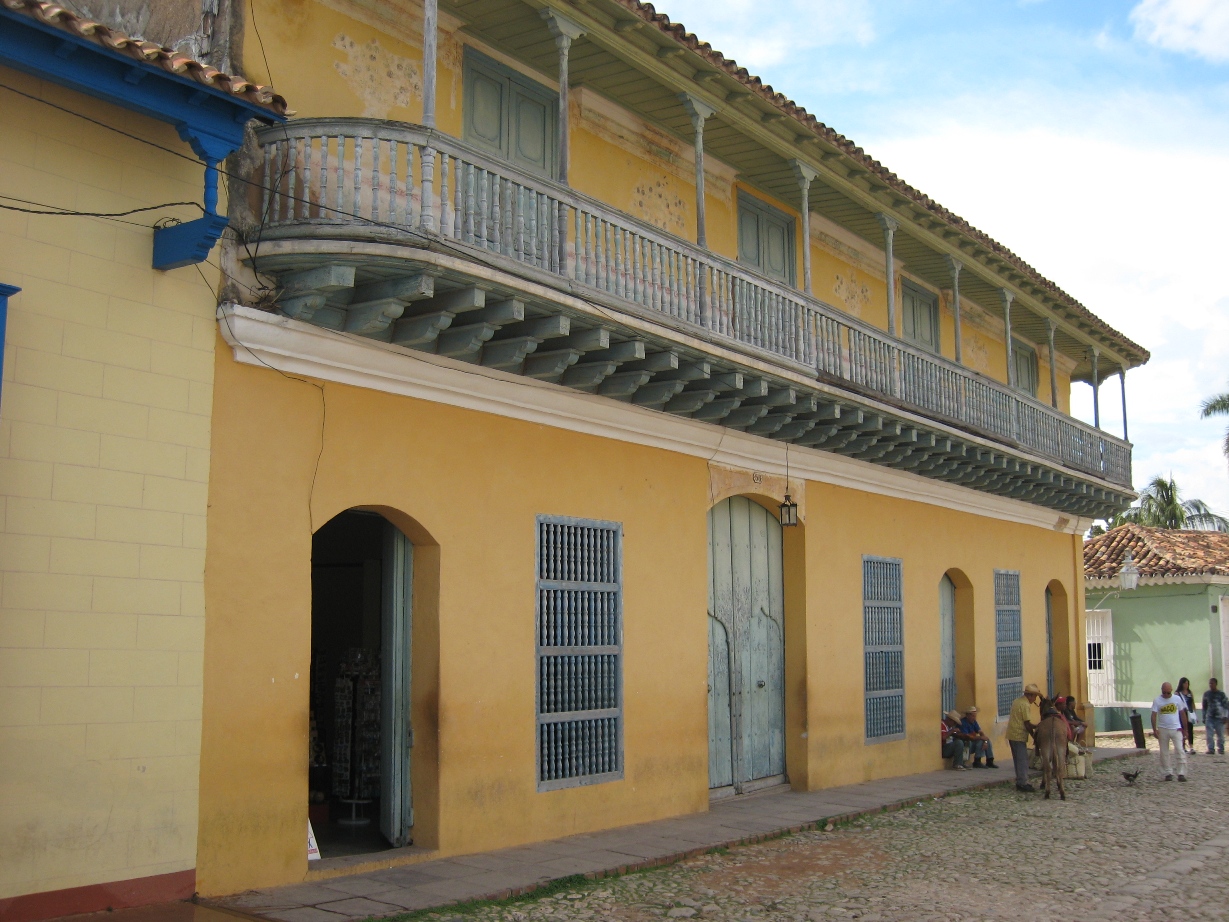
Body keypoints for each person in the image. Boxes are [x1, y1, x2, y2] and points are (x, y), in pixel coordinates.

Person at [1151, 681, 1190, 781]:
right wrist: (1154, 729)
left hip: (1176, 728)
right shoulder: (1157, 700)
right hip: (1163, 729)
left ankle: (1181, 773)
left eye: (1168, 693)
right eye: (1164, 692)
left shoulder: (1177, 699)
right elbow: (1154, 715)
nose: (1166, 695)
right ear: (1161, 691)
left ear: (1171, 691)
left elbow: (1182, 713)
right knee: (1164, 752)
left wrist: (1185, 729)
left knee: (1180, 750)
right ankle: (1167, 772)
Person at [1007, 683, 1042, 792]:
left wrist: (1035, 727)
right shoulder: (1025, 705)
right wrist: (1034, 735)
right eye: (1035, 696)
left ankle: (1020, 781)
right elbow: (1027, 723)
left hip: (1012, 734)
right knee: (1022, 760)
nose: (1035, 699)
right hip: (1019, 734)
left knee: (1017, 759)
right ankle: (1022, 783)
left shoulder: (1017, 701)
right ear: (1030, 695)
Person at [1202, 677, 1228, 756]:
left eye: (1212, 683)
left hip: (1219, 717)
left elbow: (1226, 706)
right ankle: (1211, 749)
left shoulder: (1221, 694)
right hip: (1210, 717)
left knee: (1220, 735)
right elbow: (1204, 706)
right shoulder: (1206, 694)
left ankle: (1221, 748)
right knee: (1209, 734)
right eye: (1210, 683)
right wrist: (1204, 717)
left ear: (1216, 684)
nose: (1210, 685)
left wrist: (1226, 716)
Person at [1177, 677, 1197, 753]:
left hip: (1190, 713)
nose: (1186, 685)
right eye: (1185, 683)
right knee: (1182, 729)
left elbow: (1192, 703)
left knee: (1190, 729)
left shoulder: (1189, 692)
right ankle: (1183, 746)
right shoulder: (1178, 693)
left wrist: (1194, 713)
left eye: (1187, 683)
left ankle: (1191, 746)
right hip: (1181, 714)